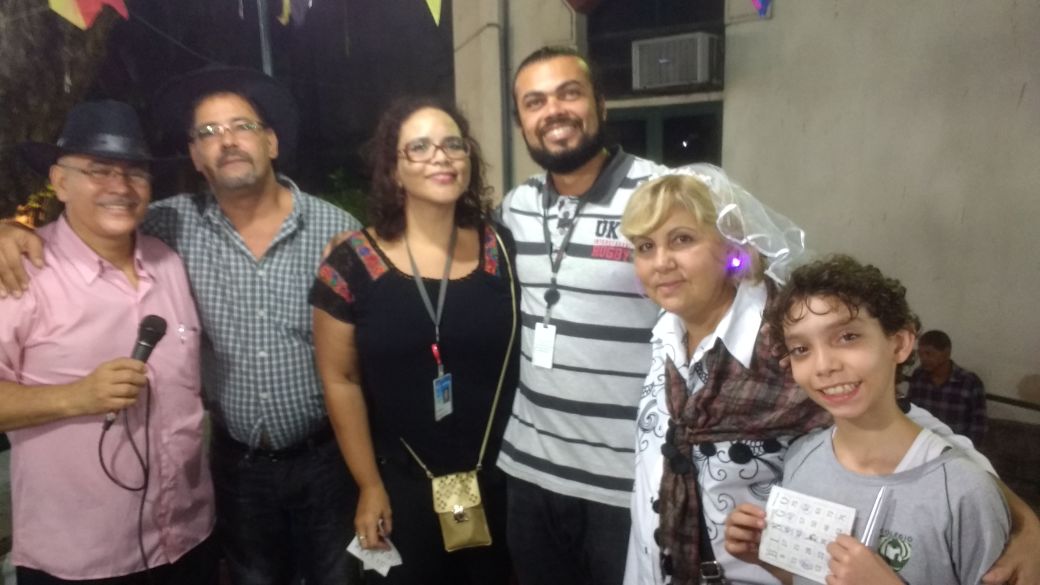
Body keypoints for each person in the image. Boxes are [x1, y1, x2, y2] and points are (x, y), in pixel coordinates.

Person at [0, 67, 363, 585]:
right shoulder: (166, 229)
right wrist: (11, 230)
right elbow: (89, 224)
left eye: (241, 126)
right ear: (194, 155)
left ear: (272, 142)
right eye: (208, 132)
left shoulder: (334, 232)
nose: (118, 187)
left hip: (318, 462)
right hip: (229, 474)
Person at [621, 167, 1039, 585]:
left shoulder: (783, 339)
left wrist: (1026, 524)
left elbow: (906, 426)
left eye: (682, 239)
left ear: (731, 244)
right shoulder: (666, 334)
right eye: (645, 246)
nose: (661, 262)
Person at [1, 100, 217, 584]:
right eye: (98, 170)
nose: (120, 187)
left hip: (188, 539)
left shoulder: (168, 262)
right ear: (60, 182)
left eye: (135, 173)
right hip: (82, 557)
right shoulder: (19, 273)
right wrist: (75, 397)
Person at [310, 97, 517, 584]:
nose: (440, 157)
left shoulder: (503, 248)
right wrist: (368, 485)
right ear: (394, 170)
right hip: (398, 484)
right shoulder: (351, 264)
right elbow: (340, 380)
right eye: (419, 147)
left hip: (498, 481)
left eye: (453, 144)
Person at [725, 255, 1010, 584]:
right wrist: (766, 558)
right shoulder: (802, 458)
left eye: (847, 337)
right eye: (801, 349)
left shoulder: (964, 492)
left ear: (899, 344)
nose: (824, 366)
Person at [496, 45, 667, 585]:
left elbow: (730, 284)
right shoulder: (515, 207)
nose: (554, 111)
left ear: (600, 103)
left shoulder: (661, 194)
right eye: (535, 102)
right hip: (529, 471)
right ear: (521, 122)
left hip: (626, 479)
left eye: (569, 93)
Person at [907, 329, 987, 445]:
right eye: (921, 354)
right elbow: (911, 411)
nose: (923, 359)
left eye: (929, 354)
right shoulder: (919, 376)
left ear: (946, 353)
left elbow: (979, 426)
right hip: (922, 444)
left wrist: (967, 451)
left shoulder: (969, 382)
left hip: (956, 448)